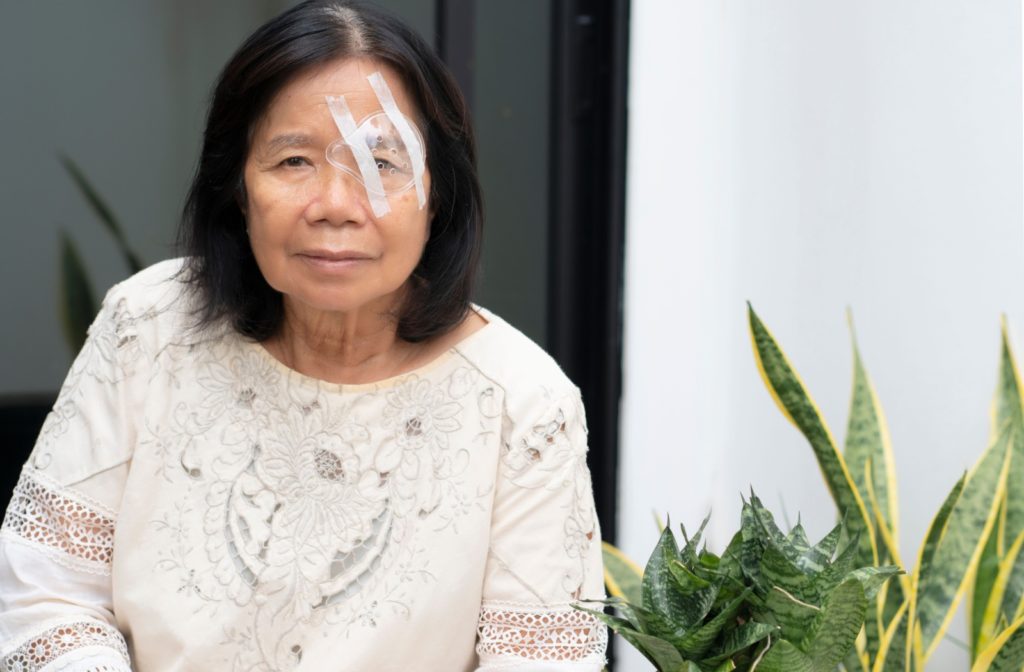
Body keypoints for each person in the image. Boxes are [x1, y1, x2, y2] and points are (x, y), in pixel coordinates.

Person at [0, 1, 607, 670]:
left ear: (438, 192)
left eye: (381, 163)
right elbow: (49, 594)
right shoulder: (147, 327)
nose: (335, 207)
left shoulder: (525, 405)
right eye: (293, 162)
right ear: (237, 185)